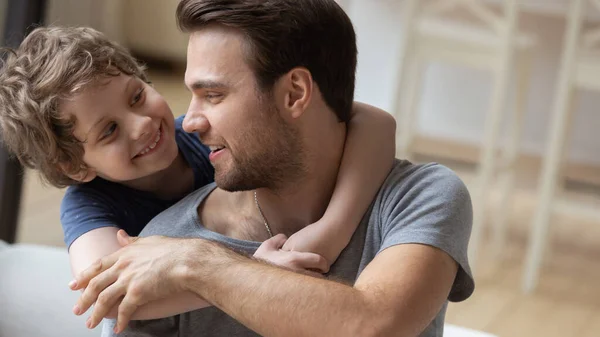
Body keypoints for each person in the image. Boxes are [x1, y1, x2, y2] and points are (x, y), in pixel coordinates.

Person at [70, 0, 474, 336]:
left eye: (212, 94)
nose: (188, 122)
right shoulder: (157, 252)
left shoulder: (420, 198)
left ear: (295, 93)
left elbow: (373, 324)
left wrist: (198, 266)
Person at [0, 24, 398, 321]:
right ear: (74, 166)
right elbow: (108, 296)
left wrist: (335, 227)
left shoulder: (196, 132)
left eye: (137, 96)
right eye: (109, 131)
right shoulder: (89, 205)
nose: (141, 124)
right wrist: (244, 274)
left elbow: (374, 121)